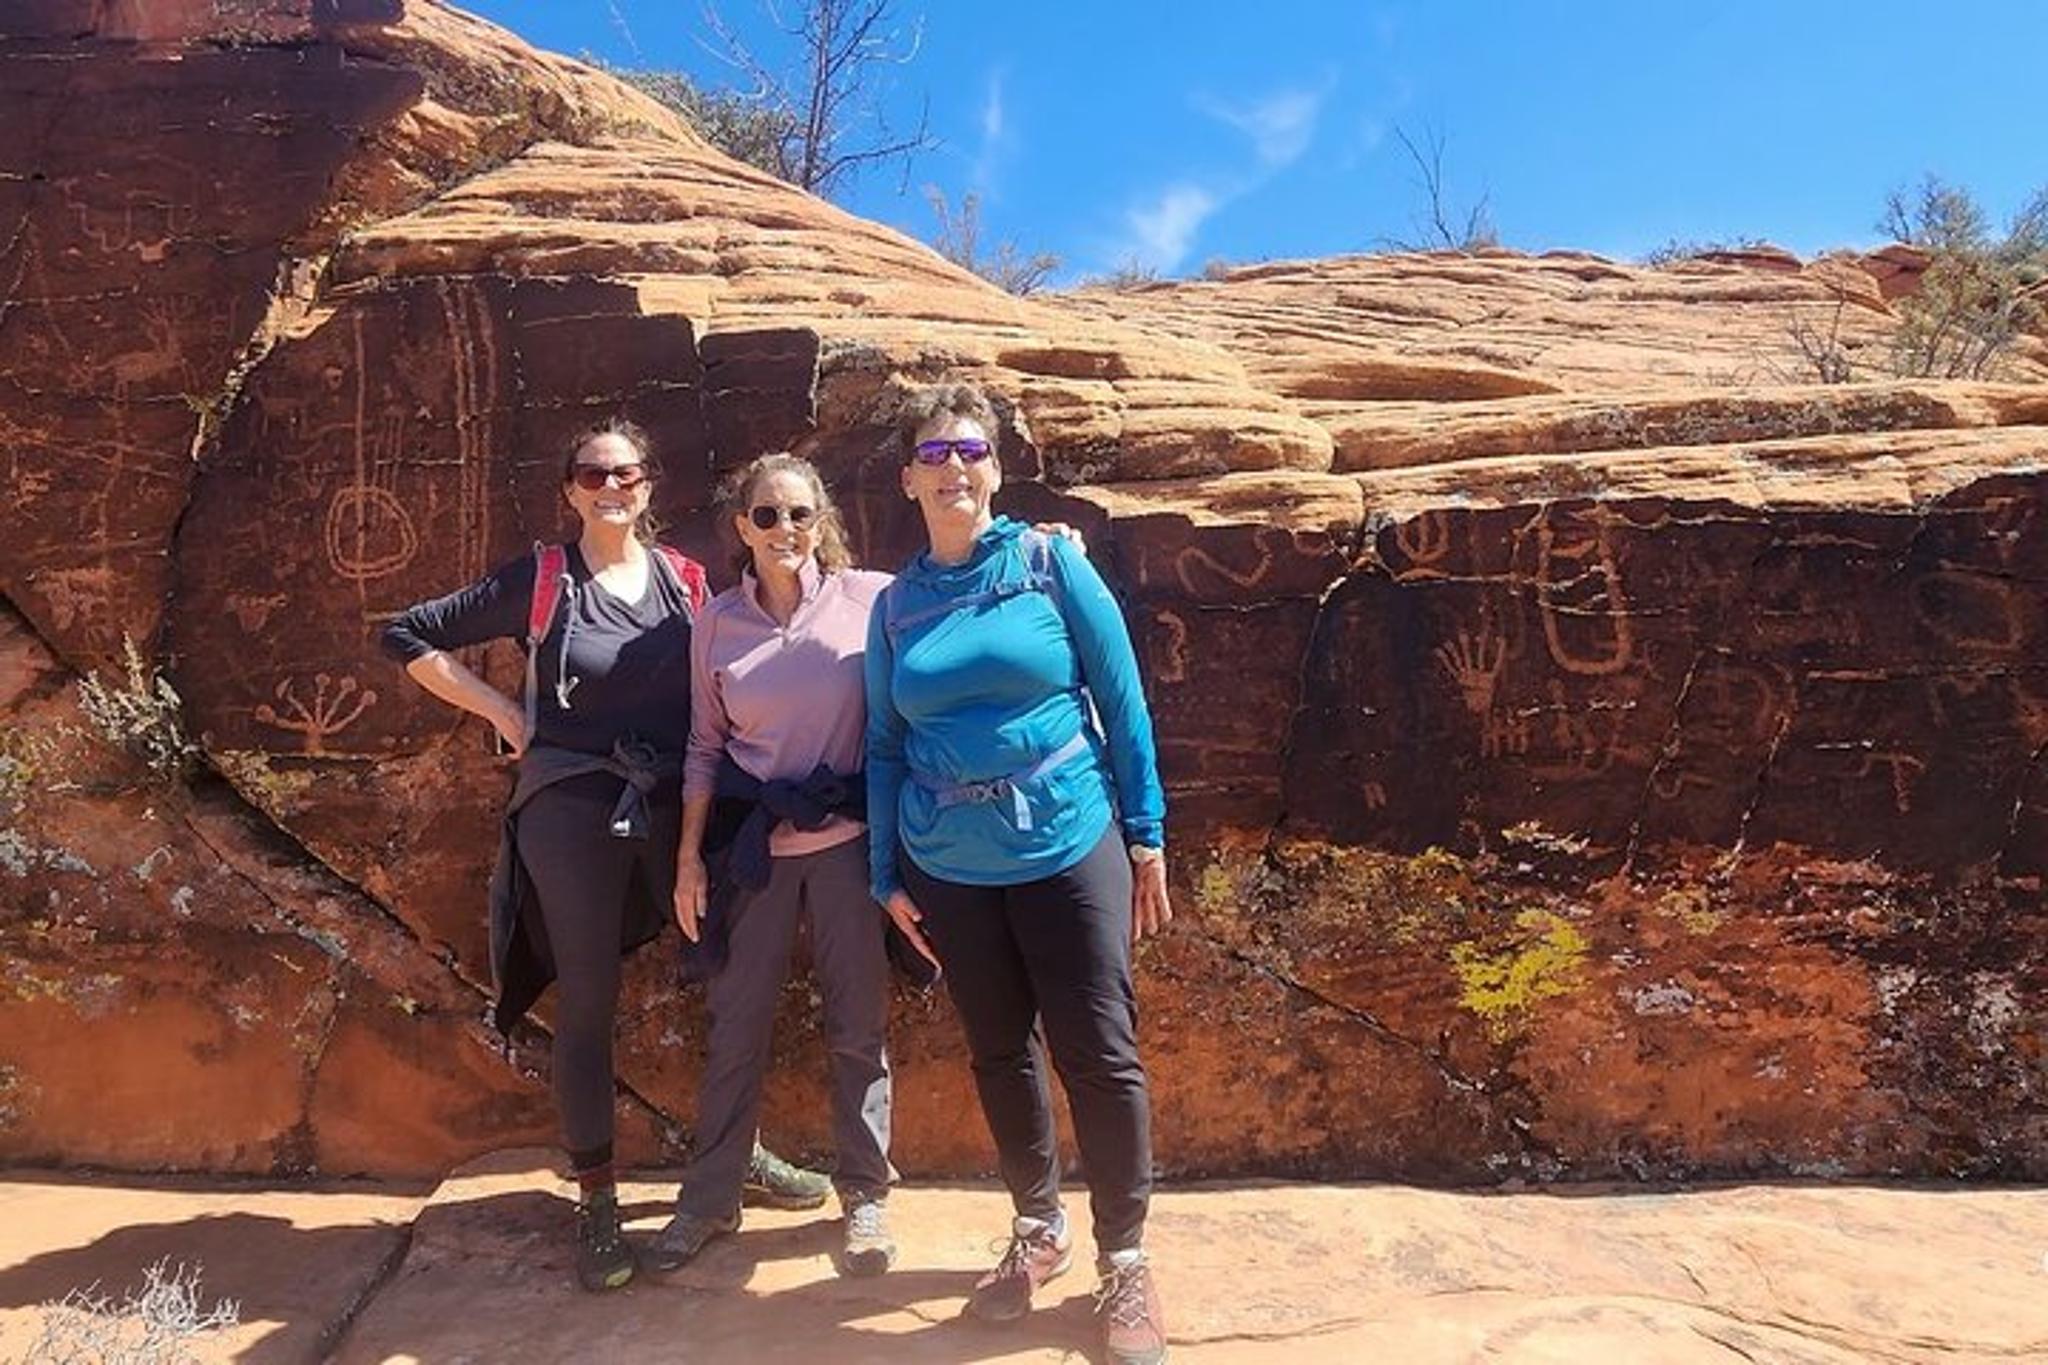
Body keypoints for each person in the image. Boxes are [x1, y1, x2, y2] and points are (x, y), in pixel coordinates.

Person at [381, 419, 829, 1294]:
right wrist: (503, 712)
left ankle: (733, 1152)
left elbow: (792, 612)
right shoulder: (545, 579)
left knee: (731, 975)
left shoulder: (690, 582)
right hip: (571, 809)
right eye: (594, 473)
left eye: (626, 471)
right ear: (571, 488)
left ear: (649, 484)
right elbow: (407, 634)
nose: (611, 485)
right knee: (589, 997)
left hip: (677, 810)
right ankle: (597, 1198)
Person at [864, 382, 1173, 1365]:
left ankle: (1123, 1259)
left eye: (970, 451)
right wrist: (884, 874)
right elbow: (879, 746)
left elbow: (1121, 701)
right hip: (949, 863)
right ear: (908, 477)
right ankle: (1037, 1232)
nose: (954, 468)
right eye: (935, 453)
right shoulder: (895, 603)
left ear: (993, 469)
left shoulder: (1048, 565)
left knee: (1097, 1051)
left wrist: (1146, 834)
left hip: (1065, 839)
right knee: (997, 1051)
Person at [646, 453, 899, 1278]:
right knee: (735, 1025)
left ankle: (866, 1196)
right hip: (756, 848)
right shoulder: (716, 624)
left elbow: (960, 586)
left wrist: (1047, 548)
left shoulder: (873, 599)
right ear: (740, 529)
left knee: (858, 1027)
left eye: (798, 514)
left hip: (850, 843)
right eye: (766, 515)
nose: (783, 530)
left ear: (821, 520)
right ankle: (712, 1197)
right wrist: (689, 859)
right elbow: (702, 747)